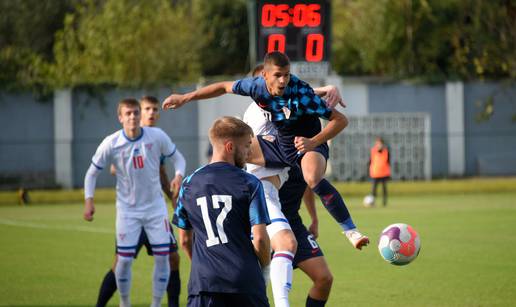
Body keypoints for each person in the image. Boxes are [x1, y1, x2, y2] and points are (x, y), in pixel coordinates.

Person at [163, 52, 369, 251]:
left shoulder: (302, 93)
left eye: (286, 75)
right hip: (281, 144)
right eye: (277, 75)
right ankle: (208, 198)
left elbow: (341, 120)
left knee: (312, 178)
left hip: (308, 144)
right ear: (264, 76)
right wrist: (185, 97)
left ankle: (351, 231)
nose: (282, 81)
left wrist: (313, 142)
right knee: (231, 149)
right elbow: (223, 86)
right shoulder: (255, 87)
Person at [241, 63, 343, 307]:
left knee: (324, 279)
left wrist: (314, 217)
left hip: (291, 218)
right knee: (256, 283)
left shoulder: (293, 127)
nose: (276, 88)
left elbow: (306, 180)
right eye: (264, 85)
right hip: (262, 215)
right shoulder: (255, 119)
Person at [84, 98, 183, 307]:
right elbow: (94, 172)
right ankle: (119, 303)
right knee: (122, 261)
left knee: (169, 258)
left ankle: (160, 304)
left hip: (155, 210)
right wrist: (89, 200)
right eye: (131, 112)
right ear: (120, 117)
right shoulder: (112, 143)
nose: (136, 116)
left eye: (137, 112)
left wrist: (178, 178)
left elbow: (171, 165)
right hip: (129, 212)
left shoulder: (157, 137)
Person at [174, 116, 271, 306]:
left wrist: (207, 266)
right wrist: (265, 268)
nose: (249, 152)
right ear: (229, 147)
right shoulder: (250, 183)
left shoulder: (188, 184)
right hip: (245, 282)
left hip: (203, 284)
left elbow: (185, 240)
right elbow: (259, 239)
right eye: (246, 146)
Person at [368, 137, 391, 206]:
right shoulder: (373, 151)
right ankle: (372, 202)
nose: (379, 145)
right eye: (377, 143)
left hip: (384, 173)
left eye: (380, 143)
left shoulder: (386, 151)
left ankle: (384, 202)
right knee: (374, 189)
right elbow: (370, 161)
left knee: (384, 188)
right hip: (375, 173)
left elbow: (388, 162)